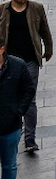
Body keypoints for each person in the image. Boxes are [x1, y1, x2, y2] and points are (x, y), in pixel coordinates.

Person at [0, 0, 52, 154]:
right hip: (9, 63)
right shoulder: (3, 11)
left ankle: (30, 139)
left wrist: (48, 49)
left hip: (30, 61)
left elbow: (45, 31)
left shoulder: (36, 8)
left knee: (29, 99)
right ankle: (12, 131)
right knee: (9, 98)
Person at [0, 31, 36, 179]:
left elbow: (29, 89)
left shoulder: (17, 65)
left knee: (9, 165)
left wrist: (18, 110)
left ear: (2, 49)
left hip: (10, 128)